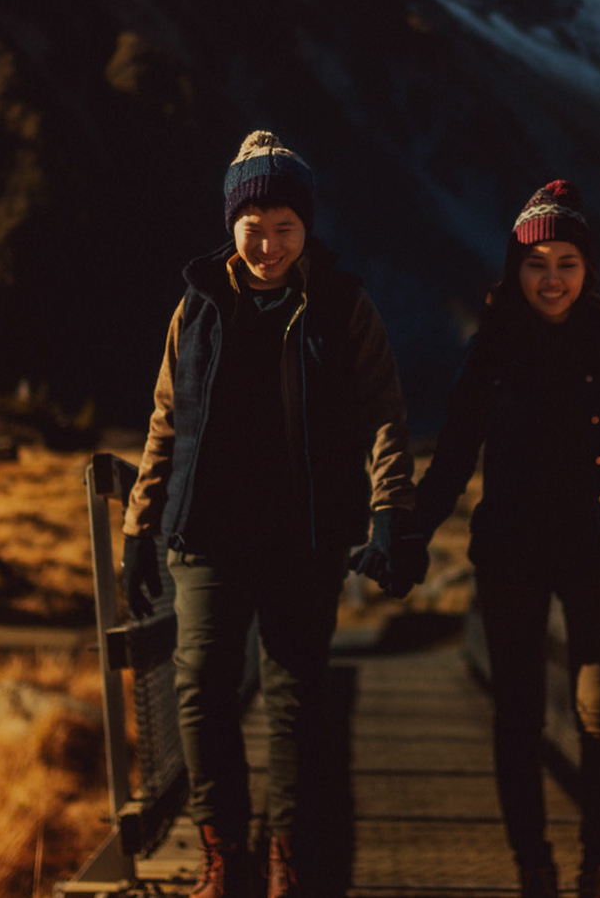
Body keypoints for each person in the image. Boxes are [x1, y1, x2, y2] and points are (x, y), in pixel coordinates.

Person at [119, 130, 422, 898]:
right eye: (254, 224)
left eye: (286, 224)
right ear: (232, 222)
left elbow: (384, 411)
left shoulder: (343, 304)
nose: (269, 241)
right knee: (201, 684)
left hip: (304, 534)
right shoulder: (197, 307)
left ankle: (287, 850)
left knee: (295, 692)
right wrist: (137, 527)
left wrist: (389, 506)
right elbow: (165, 420)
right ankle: (224, 854)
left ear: (306, 226)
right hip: (209, 533)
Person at [407, 179, 600, 898]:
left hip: (597, 551)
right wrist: (408, 537)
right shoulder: (492, 351)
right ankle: (533, 864)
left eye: (566, 262)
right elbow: (453, 455)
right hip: (511, 554)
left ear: (586, 270)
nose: (552, 277)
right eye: (538, 263)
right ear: (516, 269)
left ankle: (599, 870)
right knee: (519, 717)